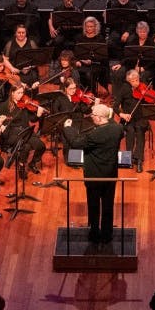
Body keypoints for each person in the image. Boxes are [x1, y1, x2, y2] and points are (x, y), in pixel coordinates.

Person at [62, 102, 126, 244]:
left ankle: (95, 233)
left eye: (93, 116)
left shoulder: (95, 134)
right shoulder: (118, 128)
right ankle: (107, 234)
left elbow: (76, 142)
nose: (91, 118)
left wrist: (68, 128)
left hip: (94, 175)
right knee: (108, 205)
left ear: (98, 118)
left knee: (94, 205)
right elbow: (117, 131)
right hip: (110, 174)